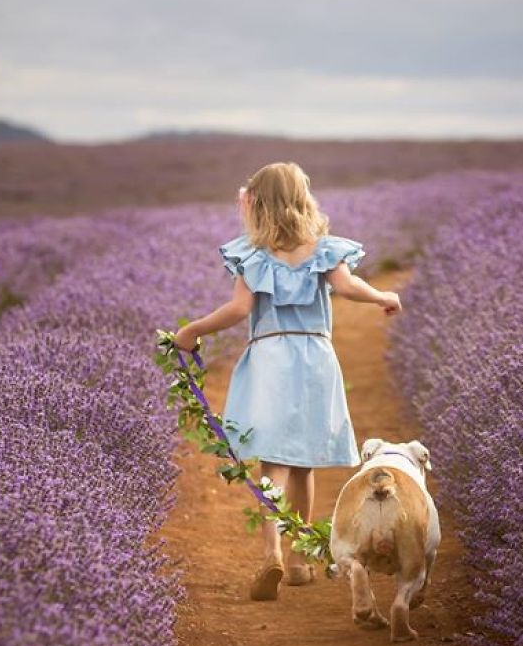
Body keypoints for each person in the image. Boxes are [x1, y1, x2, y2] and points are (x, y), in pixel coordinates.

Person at [172, 161, 402, 601]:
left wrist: (192, 330)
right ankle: (298, 562)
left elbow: (239, 311)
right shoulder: (324, 250)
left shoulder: (251, 254)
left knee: (271, 461)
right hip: (314, 355)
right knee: (302, 461)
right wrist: (384, 297)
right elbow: (350, 287)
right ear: (303, 199)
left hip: (270, 356)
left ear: (258, 205)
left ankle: (272, 552)